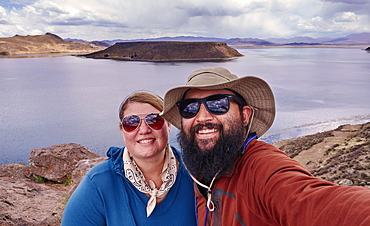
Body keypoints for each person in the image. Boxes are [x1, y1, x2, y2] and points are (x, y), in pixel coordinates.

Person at [161, 67, 370, 226]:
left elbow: (316, 203)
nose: (202, 117)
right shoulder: (202, 168)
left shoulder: (261, 168)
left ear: (245, 115)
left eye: (218, 104)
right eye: (190, 108)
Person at [62, 91, 197, 225]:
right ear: (122, 130)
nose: (144, 130)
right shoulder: (100, 182)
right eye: (131, 122)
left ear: (168, 125)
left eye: (154, 120)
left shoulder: (195, 173)